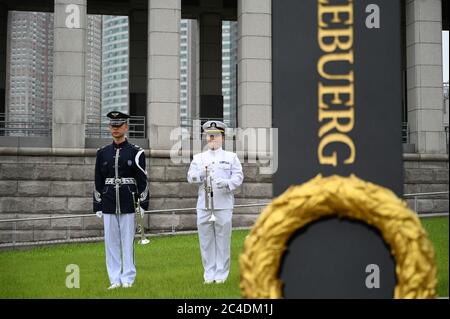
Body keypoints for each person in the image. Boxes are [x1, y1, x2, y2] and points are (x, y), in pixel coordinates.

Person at [93, 111, 149, 289]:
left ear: (126, 127)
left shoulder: (136, 152)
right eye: (112, 126)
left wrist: (143, 204)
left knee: (127, 242)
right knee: (111, 243)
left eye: (119, 126)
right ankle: (114, 279)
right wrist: (98, 204)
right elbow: (98, 180)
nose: (115, 129)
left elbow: (143, 181)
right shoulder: (102, 153)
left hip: (128, 201)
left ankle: (128, 278)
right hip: (109, 201)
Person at [187, 120, 244, 284]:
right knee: (205, 241)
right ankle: (209, 274)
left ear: (222, 138)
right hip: (204, 205)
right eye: (210, 135)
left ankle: (221, 275)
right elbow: (190, 177)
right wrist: (200, 175)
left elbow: (238, 177)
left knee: (223, 240)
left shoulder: (231, 157)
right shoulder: (199, 158)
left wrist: (227, 183)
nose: (212, 138)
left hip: (223, 204)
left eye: (216, 136)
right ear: (206, 138)